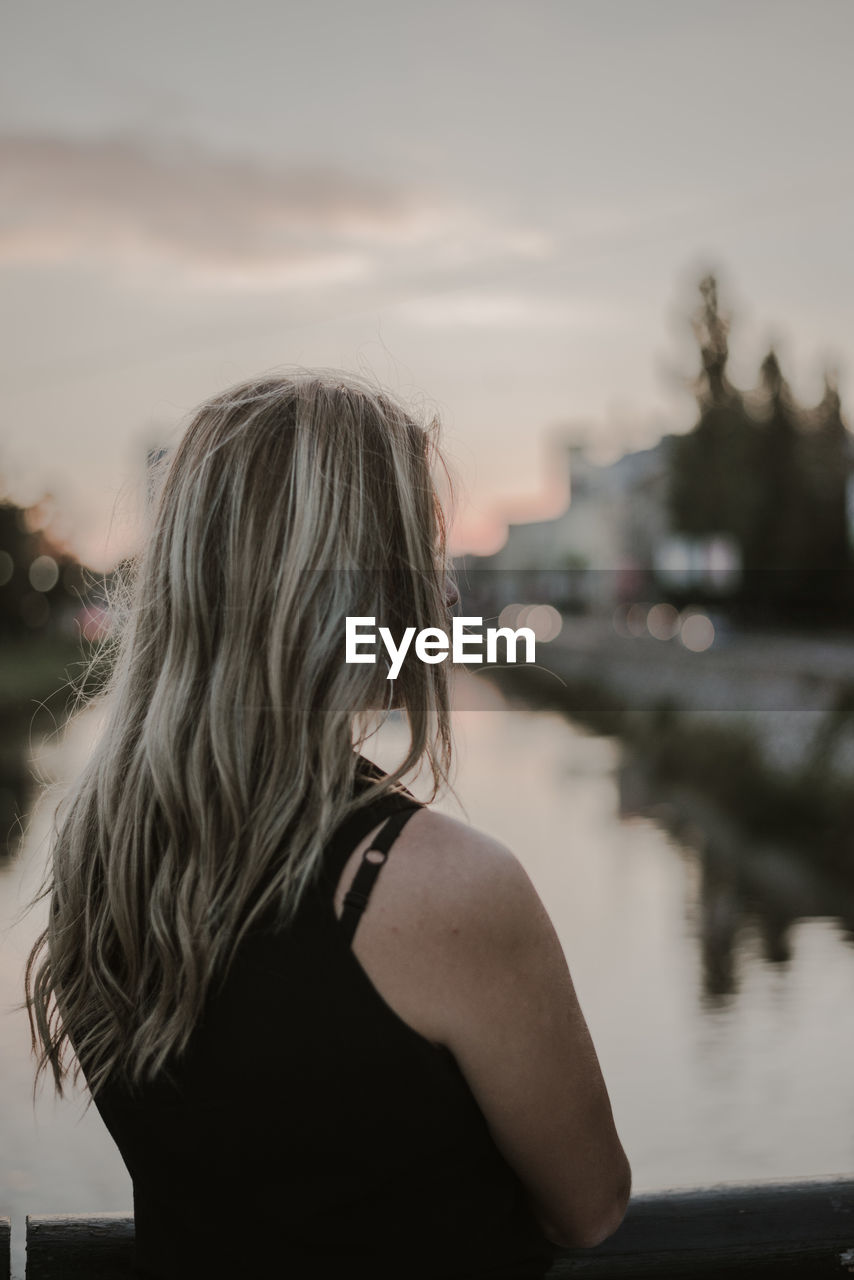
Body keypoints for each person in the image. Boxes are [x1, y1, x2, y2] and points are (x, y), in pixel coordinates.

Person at [26, 369, 630, 1279]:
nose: (445, 593)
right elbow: (590, 1206)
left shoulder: (101, 861)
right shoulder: (443, 886)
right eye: (421, 554)